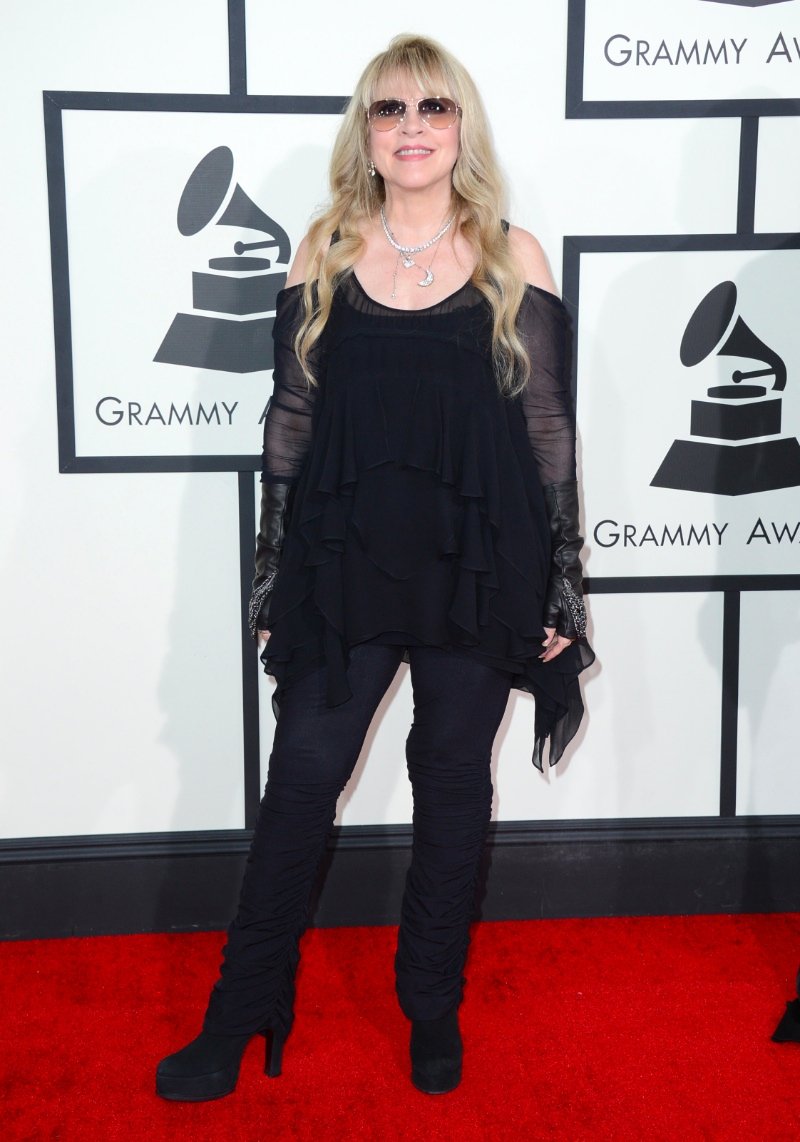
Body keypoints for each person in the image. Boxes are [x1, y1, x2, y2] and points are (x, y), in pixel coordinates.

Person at [156, 33, 594, 1102]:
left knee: (450, 778)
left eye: (432, 107)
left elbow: (548, 432)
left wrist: (560, 583)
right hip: (345, 560)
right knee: (303, 775)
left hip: (476, 563)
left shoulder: (513, 256)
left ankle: (429, 1000)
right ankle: (244, 1004)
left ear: (461, 128)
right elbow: (290, 423)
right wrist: (274, 574)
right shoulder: (323, 249)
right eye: (389, 108)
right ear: (365, 131)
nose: (411, 127)